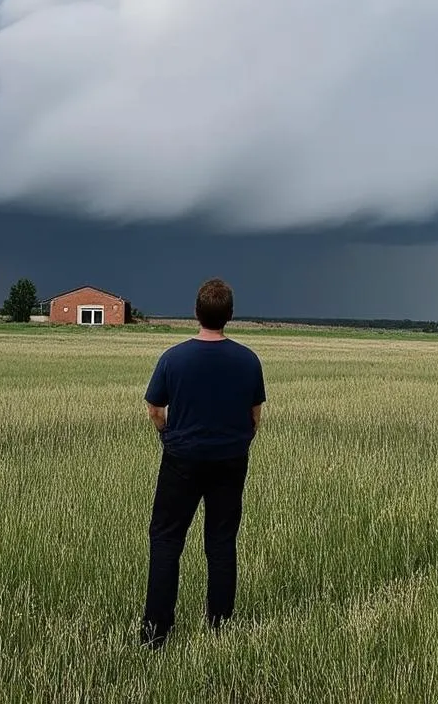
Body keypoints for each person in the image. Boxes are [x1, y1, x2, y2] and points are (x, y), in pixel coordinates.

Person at [140, 278, 266, 649]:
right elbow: (255, 416)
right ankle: (220, 627)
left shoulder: (173, 358)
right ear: (230, 315)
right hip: (230, 461)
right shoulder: (248, 360)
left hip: (181, 459)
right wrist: (237, 442)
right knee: (222, 541)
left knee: (166, 541)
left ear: (196, 312)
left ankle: (155, 634)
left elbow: (154, 409)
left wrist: (168, 436)